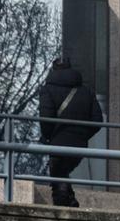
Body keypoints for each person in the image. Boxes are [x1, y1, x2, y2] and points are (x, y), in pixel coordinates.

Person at [38, 56, 104, 208]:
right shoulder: (86, 91)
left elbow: (46, 119)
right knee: (62, 172)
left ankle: (65, 203)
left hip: (57, 143)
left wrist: (48, 137)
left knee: (58, 175)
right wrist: (82, 134)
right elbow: (97, 120)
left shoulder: (47, 90)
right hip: (79, 145)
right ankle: (71, 199)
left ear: (53, 70)